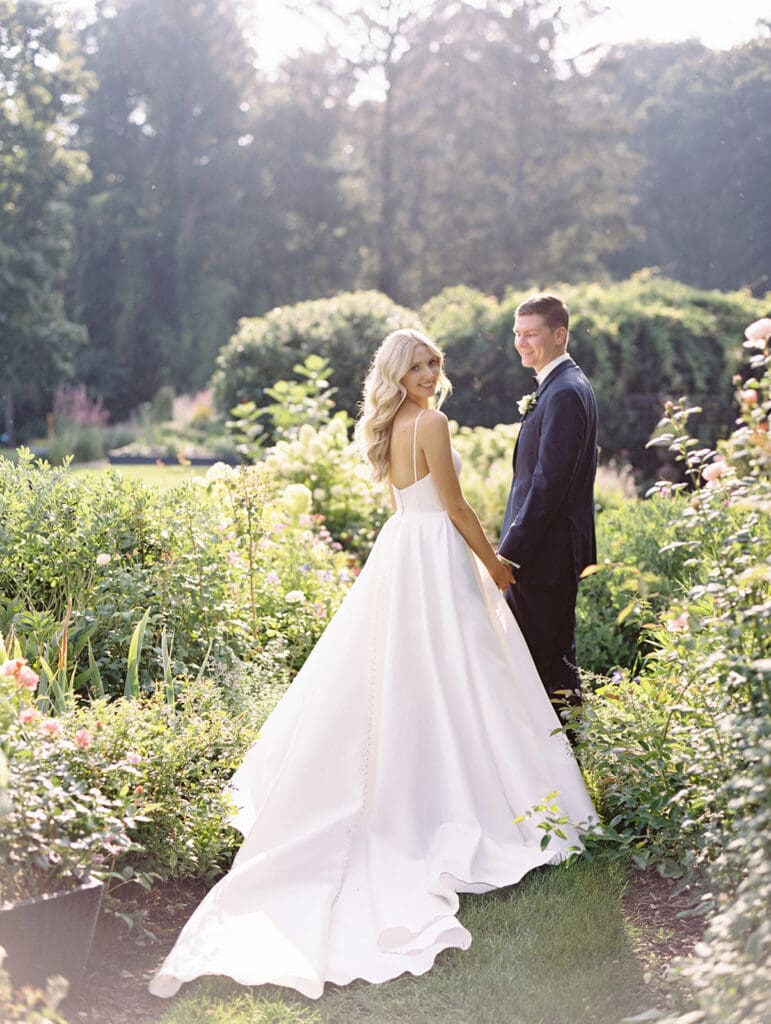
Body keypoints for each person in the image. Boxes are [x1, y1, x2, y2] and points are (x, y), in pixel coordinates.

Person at [149, 328, 597, 1001]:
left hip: (401, 552)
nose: (428, 371)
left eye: (433, 362)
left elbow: (403, 505)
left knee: (410, 675)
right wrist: (494, 567)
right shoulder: (435, 424)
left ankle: (421, 779)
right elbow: (453, 508)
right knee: (461, 673)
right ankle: (468, 793)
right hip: (436, 552)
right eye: (416, 364)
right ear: (395, 372)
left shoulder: (387, 426)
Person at [498, 294, 599, 713]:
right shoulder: (561, 385)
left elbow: (549, 485)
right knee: (550, 664)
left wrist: (510, 555)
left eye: (531, 334)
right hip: (547, 554)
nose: (522, 343)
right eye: (518, 334)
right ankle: (563, 761)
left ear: (560, 334)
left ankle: (561, 762)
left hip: (544, 556)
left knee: (542, 667)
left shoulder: (564, 393)